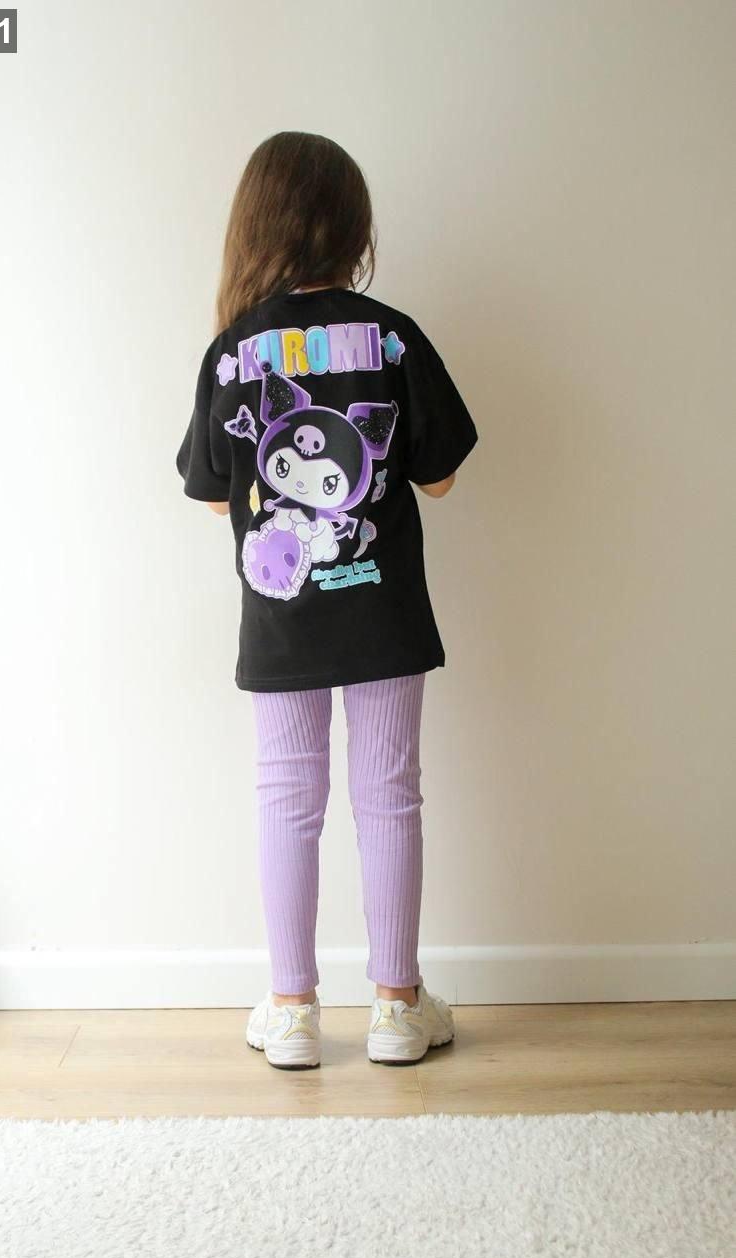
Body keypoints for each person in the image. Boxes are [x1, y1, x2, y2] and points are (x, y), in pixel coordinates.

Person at [176, 131, 478, 1070]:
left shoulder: (234, 351)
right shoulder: (392, 335)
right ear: (352, 228)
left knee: (286, 796)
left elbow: (214, 491)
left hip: (282, 619)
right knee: (389, 796)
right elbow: (440, 477)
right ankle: (397, 1007)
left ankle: (294, 1011)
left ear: (255, 226)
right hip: (382, 615)